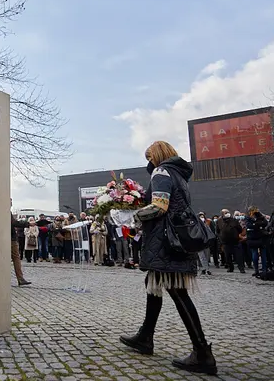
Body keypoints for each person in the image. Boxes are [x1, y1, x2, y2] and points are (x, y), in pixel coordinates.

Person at [119, 141, 216, 375]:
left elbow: (159, 206)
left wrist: (131, 215)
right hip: (175, 238)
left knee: (177, 292)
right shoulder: (180, 175)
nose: (148, 162)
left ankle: (202, 352)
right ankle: (145, 336)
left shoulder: (161, 172)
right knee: (153, 285)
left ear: (157, 156)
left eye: (149, 157)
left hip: (166, 241)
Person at [218, 209, 245, 274]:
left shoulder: (234, 220)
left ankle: (241, 268)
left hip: (235, 241)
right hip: (225, 241)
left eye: (227, 212)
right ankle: (230, 268)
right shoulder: (219, 221)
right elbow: (218, 230)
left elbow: (240, 229)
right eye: (225, 212)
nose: (227, 213)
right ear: (222, 214)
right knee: (227, 256)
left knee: (239, 255)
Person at [10, 202, 31, 286]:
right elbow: (14, 223)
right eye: (10, 201)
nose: (11, 203)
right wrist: (28, 224)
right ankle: (20, 279)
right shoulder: (5, 212)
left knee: (16, 258)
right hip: (10, 238)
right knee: (16, 258)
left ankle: (20, 279)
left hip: (10, 238)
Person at [245, 206, 269, 277]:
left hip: (256, 237)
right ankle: (261, 269)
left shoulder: (251, 217)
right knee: (259, 254)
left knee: (259, 254)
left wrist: (255, 225)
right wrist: (258, 225)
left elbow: (264, 223)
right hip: (256, 237)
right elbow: (250, 225)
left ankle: (258, 270)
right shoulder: (255, 217)